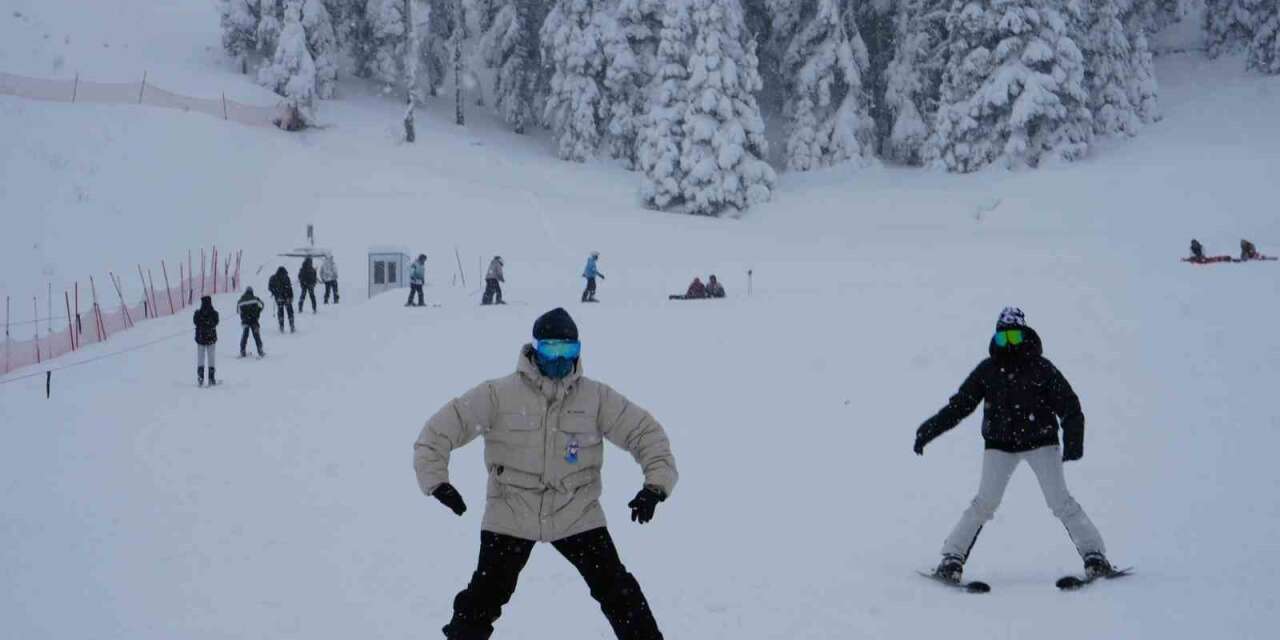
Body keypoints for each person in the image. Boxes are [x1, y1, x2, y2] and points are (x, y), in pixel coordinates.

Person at [414, 308, 677, 640]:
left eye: (569, 351)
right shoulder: (497, 395)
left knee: (619, 592)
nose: (560, 360)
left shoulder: (596, 398)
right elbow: (436, 434)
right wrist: (436, 481)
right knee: (482, 598)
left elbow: (646, 434)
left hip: (576, 512)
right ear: (534, 350)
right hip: (511, 511)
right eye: (552, 350)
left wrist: (655, 486)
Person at [914, 307, 1114, 584]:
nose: (1009, 344)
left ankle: (1095, 557)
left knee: (1060, 502)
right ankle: (952, 559)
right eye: (1002, 338)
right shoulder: (988, 370)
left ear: (1025, 336)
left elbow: (1070, 405)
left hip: (1042, 443)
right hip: (999, 446)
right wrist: (929, 430)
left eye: (1015, 337)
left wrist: (1073, 441)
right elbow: (960, 405)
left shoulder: (1041, 369)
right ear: (995, 340)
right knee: (984, 503)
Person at [193, 295, 219, 387]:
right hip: (211, 338)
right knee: (211, 358)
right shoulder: (214, 313)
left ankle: (200, 378)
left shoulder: (197, 313)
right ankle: (211, 378)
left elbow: (195, 322)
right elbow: (216, 322)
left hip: (200, 339)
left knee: (200, 358)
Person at [237, 287, 266, 358]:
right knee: (256, 336)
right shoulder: (255, 299)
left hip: (245, 321)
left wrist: (244, 316)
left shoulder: (240, 300)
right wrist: (258, 311)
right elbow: (262, 305)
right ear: (252, 292)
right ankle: (260, 350)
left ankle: (242, 351)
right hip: (254, 320)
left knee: (245, 336)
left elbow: (238, 311)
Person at [268, 266, 296, 333]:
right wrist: (291, 296)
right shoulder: (286, 278)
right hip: (287, 297)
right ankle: (292, 326)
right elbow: (289, 288)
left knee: (280, 311)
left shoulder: (273, 278)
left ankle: (281, 326)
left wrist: (275, 293)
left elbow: (269, 287)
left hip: (278, 297)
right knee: (290, 311)